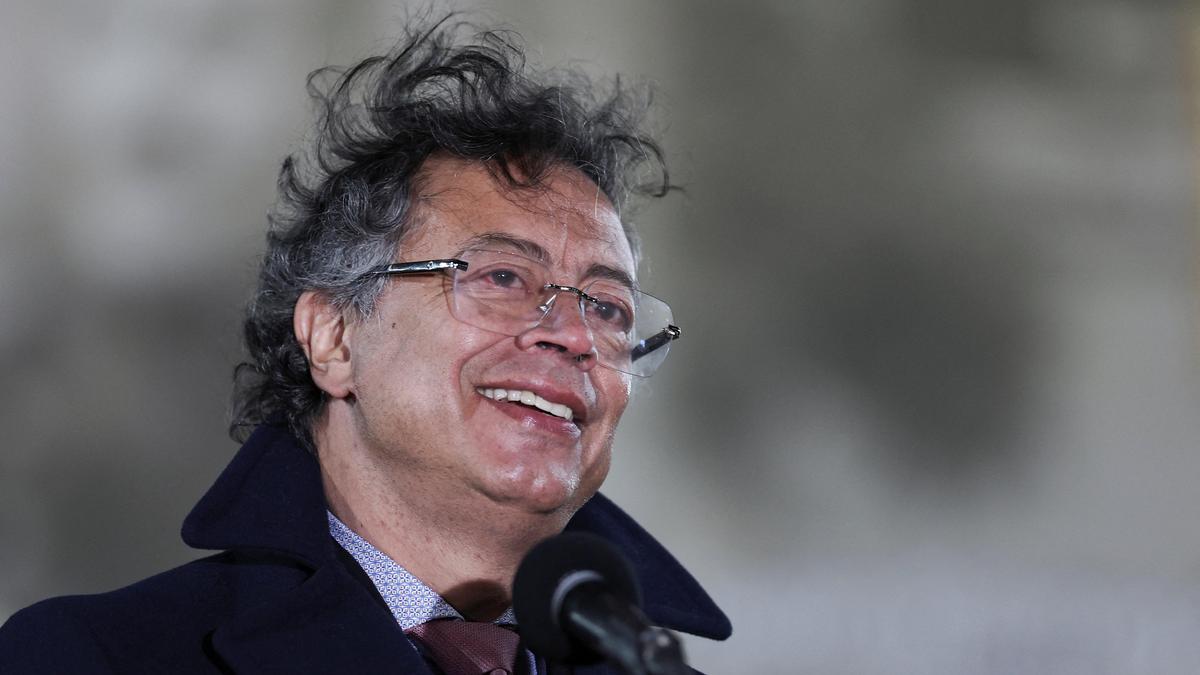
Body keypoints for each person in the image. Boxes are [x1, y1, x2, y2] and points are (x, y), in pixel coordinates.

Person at [0, 17, 730, 674]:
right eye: (504, 277)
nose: (573, 335)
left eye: (607, 307)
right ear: (334, 338)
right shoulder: (89, 657)